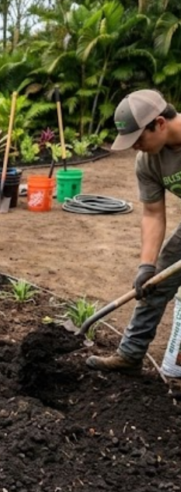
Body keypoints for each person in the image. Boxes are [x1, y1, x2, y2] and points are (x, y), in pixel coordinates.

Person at [88, 89, 181, 375]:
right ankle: (130, 355)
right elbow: (153, 213)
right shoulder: (148, 160)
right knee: (155, 282)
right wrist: (146, 266)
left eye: (139, 138)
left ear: (160, 123)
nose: (135, 147)